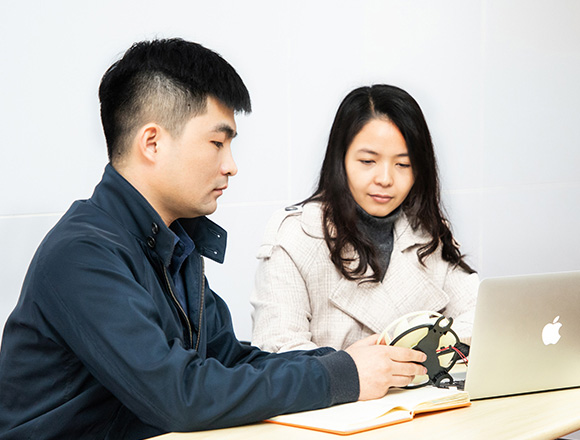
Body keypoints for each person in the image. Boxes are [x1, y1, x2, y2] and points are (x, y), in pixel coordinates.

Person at [0, 41, 427, 439]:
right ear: (152, 142)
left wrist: (344, 362)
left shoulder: (173, 244)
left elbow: (231, 361)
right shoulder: (83, 254)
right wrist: (343, 377)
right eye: (217, 143)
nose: (231, 166)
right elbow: (180, 396)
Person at [251, 84, 479, 353]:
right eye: (368, 162)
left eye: (403, 165)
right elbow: (279, 350)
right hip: (341, 395)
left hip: (426, 394)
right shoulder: (295, 237)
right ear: (341, 160)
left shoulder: (428, 233)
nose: (385, 179)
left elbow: (483, 317)